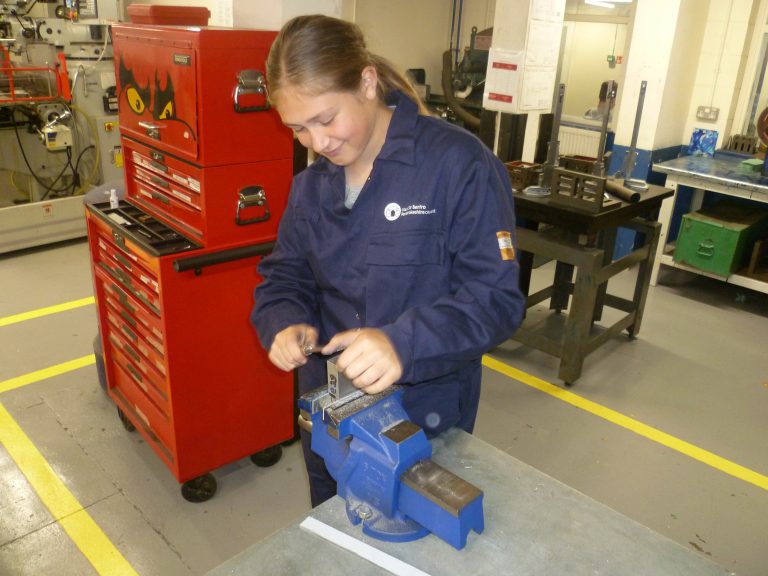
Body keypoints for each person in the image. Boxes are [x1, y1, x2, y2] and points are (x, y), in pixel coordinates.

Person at [250, 14, 524, 508]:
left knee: (415, 540)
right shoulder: (313, 186)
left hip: (424, 418)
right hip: (332, 415)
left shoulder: (458, 166)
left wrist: (403, 344)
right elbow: (284, 273)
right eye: (298, 129)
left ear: (368, 83)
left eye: (327, 119)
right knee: (338, 534)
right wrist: (284, 320)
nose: (317, 143)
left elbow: (496, 299)